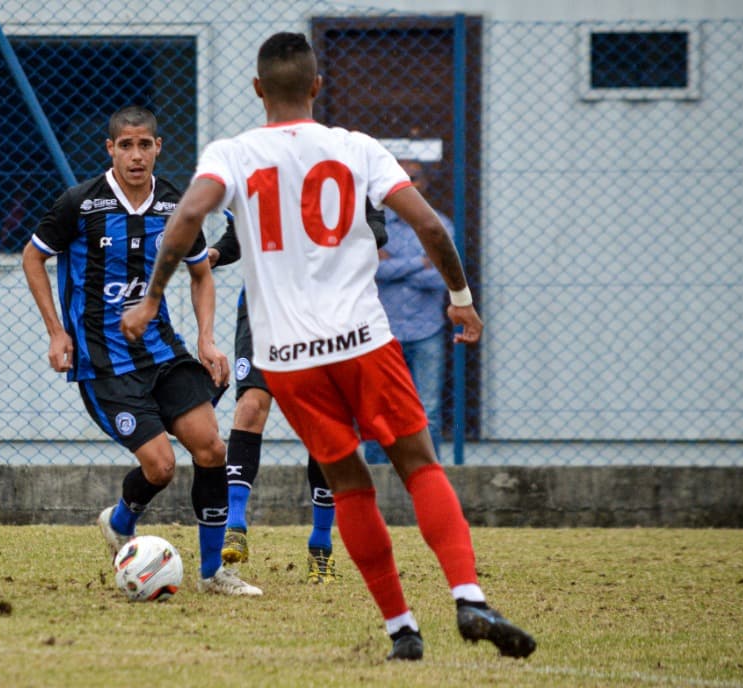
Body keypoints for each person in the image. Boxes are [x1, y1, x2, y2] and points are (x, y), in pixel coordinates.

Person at [120, 33, 534, 661]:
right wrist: (461, 297)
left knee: (350, 484)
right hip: (364, 340)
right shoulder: (357, 148)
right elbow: (426, 224)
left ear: (258, 89)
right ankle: (467, 596)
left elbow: (183, 225)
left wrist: (152, 296)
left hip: (287, 356)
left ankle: (401, 629)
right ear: (317, 86)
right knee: (419, 464)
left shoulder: (232, 153)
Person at [22, 105, 262, 597]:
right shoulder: (79, 204)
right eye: (125, 145)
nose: (136, 155)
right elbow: (33, 257)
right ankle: (120, 520)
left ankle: (214, 572)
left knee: (212, 448)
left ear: (158, 148)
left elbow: (200, 273)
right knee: (161, 467)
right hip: (103, 365)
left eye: (144, 145)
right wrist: (55, 331)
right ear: (110, 149)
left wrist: (206, 338)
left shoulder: (174, 204)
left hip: (162, 355)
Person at [209, 201, 387, 583]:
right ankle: (235, 525)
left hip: (326, 312)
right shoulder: (260, 167)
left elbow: (375, 232)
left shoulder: (347, 170)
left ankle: (320, 544)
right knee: (251, 404)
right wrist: (215, 254)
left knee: (324, 424)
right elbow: (239, 235)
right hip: (264, 309)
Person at [362, 160, 451, 465]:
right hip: (384, 333)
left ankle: (430, 474)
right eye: (402, 178)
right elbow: (370, 270)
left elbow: (441, 276)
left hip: (428, 330)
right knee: (380, 408)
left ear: (424, 183)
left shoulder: (440, 224)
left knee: (428, 410)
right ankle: (377, 473)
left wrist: (394, 263)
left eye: (414, 178)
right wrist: (420, 262)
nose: (409, 184)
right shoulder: (375, 226)